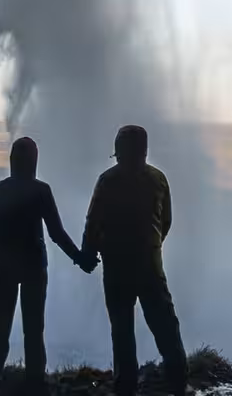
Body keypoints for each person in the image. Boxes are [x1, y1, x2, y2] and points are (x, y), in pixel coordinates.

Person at [80, 125, 187, 396]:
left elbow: (93, 222)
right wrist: (150, 248)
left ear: (119, 151)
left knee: (122, 330)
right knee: (164, 324)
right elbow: (166, 222)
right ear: (144, 151)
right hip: (150, 266)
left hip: (116, 268)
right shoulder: (159, 179)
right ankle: (178, 383)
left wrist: (89, 253)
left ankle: (125, 388)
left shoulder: (107, 181)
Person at [0, 136, 89, 396]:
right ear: (34, 162)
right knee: (33, 331)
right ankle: (35, 386)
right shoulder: (41, 190)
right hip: (33, 268)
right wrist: (80, 258)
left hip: (3, 268)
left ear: (12, 161)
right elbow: (56, 233)